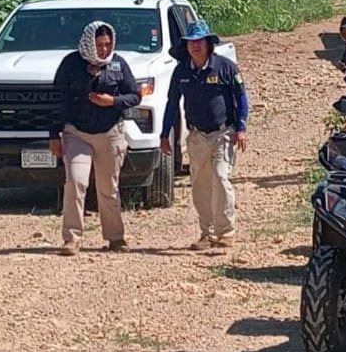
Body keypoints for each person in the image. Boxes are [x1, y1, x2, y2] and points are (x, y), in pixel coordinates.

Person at [50, 21, 141, 256]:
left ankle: (115, 238)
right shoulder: (71, 64)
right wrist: (53, 135)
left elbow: (135, 95)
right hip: (76, 133)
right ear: (89, 42)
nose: (104, 49)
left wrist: (113, 101)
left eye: (108, 44)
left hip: (110, 134)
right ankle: (72, 239)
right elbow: (57, 100)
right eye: (99, 44)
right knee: (76, 181)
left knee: (108, 188)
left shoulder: (118, 63)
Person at [160, 19, 249, 251]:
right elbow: (172, 104)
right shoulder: (181, 71)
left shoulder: (226, 67)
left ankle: (225, 232)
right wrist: (164, 135)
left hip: (224, 133)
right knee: (200, 185)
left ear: (209, 43)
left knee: (220, 177)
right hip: (196, 135)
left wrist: (241, 128)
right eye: (191, 42)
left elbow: (241, 97)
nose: (195, 45)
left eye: (200, 41)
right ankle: (207, 234)